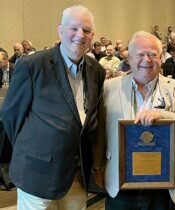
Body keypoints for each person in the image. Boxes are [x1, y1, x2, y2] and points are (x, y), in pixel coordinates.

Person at [1, 5, 106, 210]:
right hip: (36, 174)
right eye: (73, 28)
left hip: (76, 176)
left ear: (92, 36)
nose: (80, 35)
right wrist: (33, 149)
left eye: (86, 30)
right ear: (60, 30)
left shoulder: (97, 71)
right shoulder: (32, 65)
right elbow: (10, 115)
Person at [97, 31, 175, 210]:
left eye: (153, 55)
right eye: (141, 54)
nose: (147, 60)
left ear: (161, 58)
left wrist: (163, 116)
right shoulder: (108, 88)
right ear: (129, 58)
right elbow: (99, 133)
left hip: (163, 187)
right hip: (121, 185)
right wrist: (97, 167)